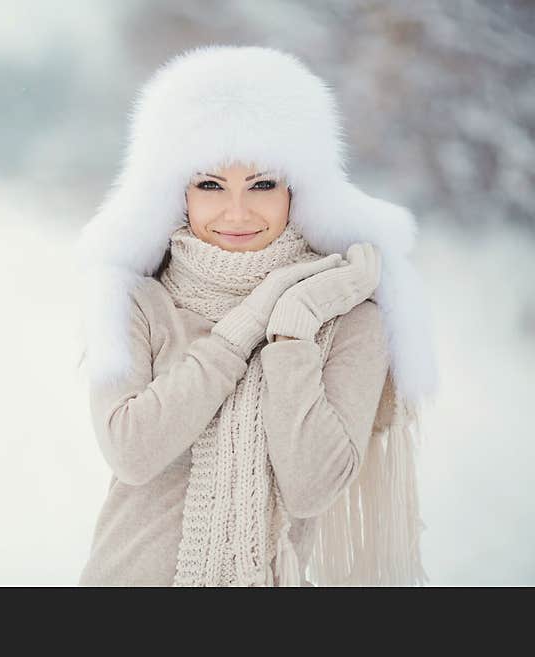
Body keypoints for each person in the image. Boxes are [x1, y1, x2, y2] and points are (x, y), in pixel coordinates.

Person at [74, 45, 439, 587]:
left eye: (263, 184)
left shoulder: (348, 318)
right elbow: (132, 449)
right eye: (211, 185)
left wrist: (292, 331)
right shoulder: (137, 303)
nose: (238, 212)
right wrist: (246, 325)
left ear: (297, 189)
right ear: (179, 194)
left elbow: (311, 486)